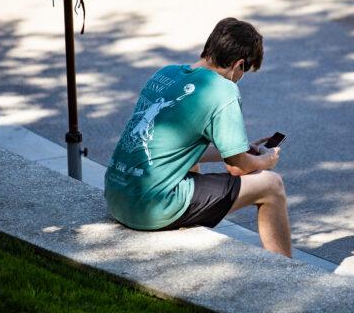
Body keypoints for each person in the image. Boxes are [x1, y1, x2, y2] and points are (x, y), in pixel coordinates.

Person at [104, 17, 292, 257]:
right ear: (239, 65)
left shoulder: (167, 73)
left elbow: (177, 148)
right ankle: (287, 273)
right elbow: (237, 168)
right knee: (272, 185)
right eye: (245, 72)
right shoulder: (223, 90)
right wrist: (266, 160)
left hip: (118, 195)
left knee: (192, 161)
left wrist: (241, 149)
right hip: (149, 208)